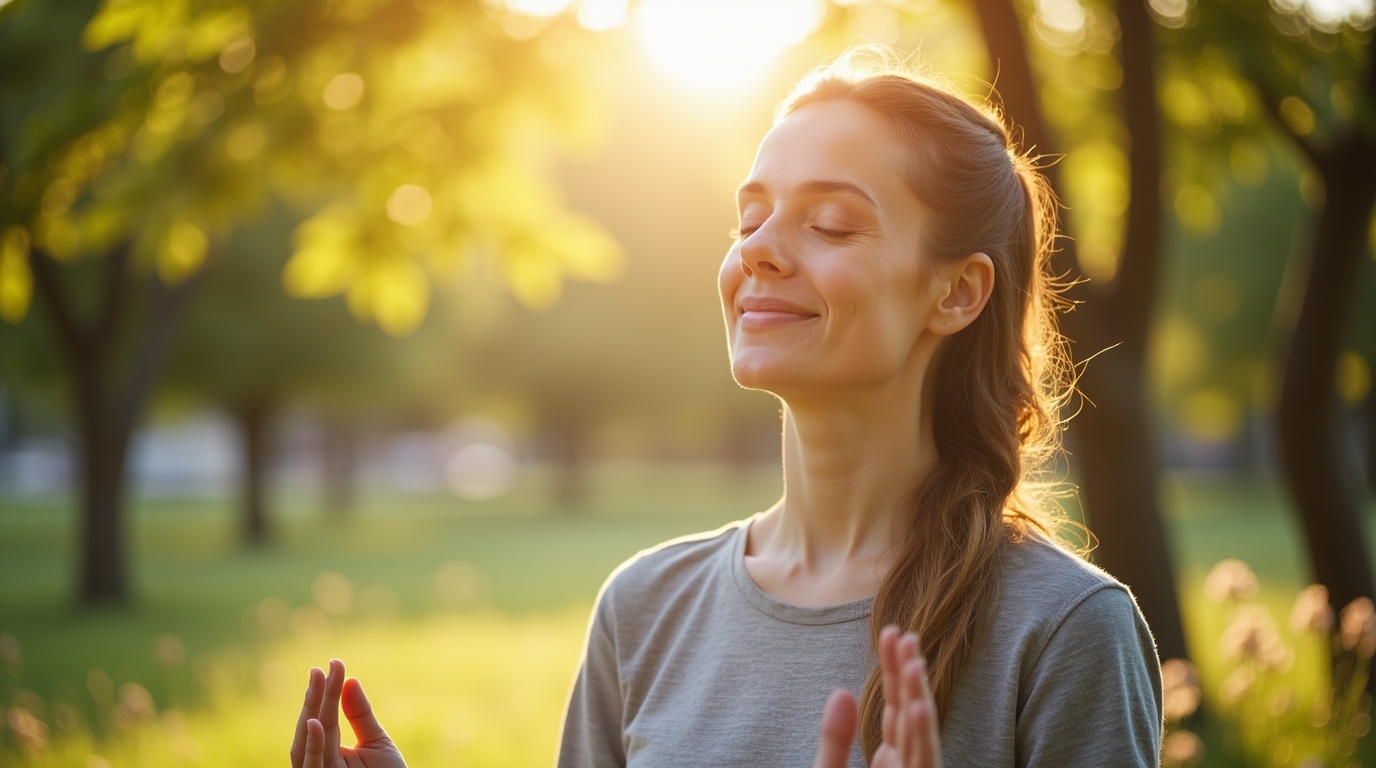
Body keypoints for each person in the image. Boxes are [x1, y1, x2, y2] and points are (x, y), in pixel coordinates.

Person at [289, 48, 1164, 768]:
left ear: (958, 293)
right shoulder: (643, 608)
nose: (761, 254)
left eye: (828, 224)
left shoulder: (1063, 631)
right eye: (750, 219)